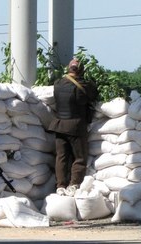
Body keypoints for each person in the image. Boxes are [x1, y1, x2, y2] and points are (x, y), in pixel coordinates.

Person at [48, 58, 98, 197]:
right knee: (79, 157)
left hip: (59, 125)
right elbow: (93, 94)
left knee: (61, 157)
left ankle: (60, 186)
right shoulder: (84, 85)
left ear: (69, 69)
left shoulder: (58, 83)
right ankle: (74, 185)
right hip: (76, 126)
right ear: (81, 70)